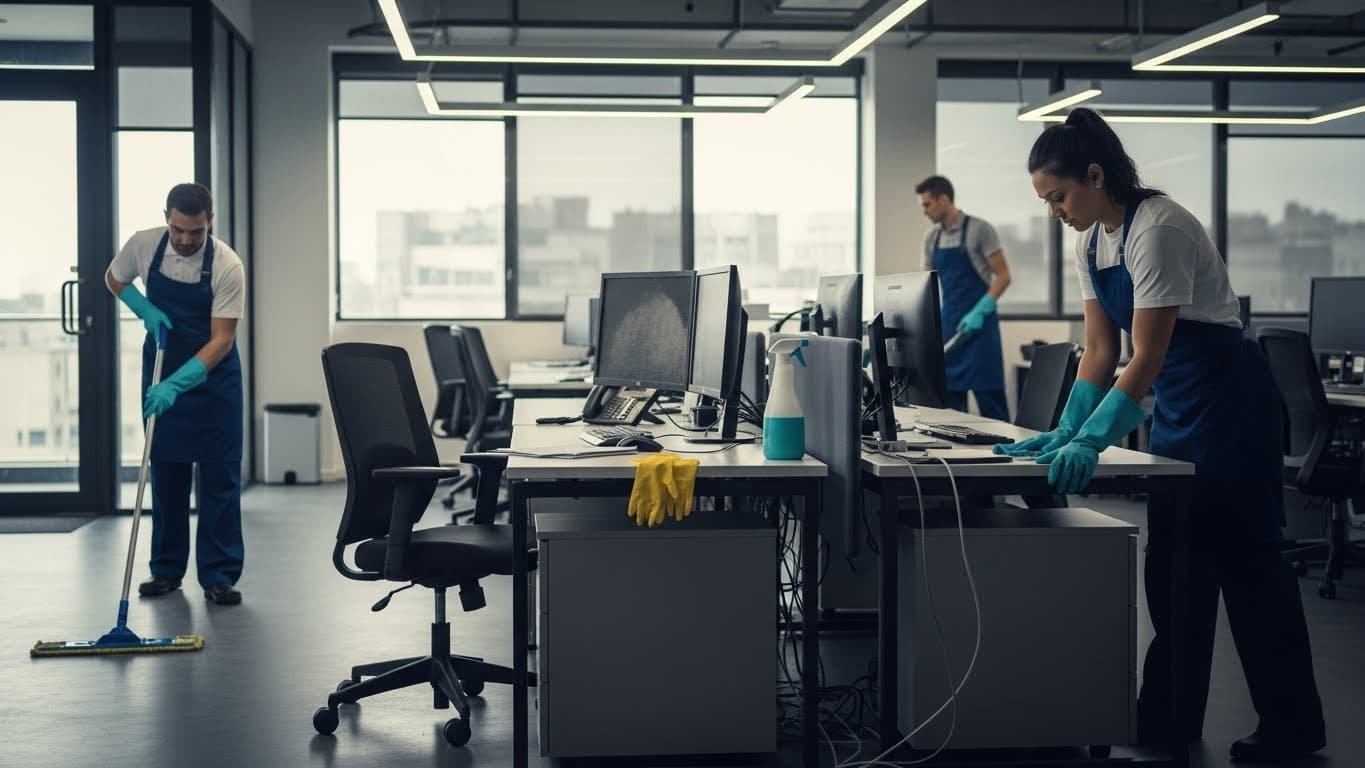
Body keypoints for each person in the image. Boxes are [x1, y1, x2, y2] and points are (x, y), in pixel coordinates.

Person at [999, 108, 1324, 761]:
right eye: (1044, 201)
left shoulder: (1160, 228)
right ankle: (1167, 716)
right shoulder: (1090, 241)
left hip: (1229, 400)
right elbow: (1098, 349)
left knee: (1247, 561)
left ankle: (1292, 726)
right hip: (1179, 405)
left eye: (1058, 196)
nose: (1054, 211)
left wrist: (1092, 441)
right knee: (1174, 560)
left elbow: (1145, 353)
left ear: (1095, 175)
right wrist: (1063, 428)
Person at [105, 183, 247, 606]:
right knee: (166, 472)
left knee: (219, 477)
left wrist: (177, 384)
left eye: (196, 232)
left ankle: (219, 575)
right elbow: (114, 278)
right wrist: (144, 309)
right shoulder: (144, 245)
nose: (186, 240)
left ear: (210, 223)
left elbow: (221, 339)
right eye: (179, 230)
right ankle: (166, 570)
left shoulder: (227, 265)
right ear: (166, 217)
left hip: (212, 381)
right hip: (162, 364)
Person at [916, 175, 1012, 420]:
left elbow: (1003, 276)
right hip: (950, 328)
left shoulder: (980, 230)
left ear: (944, 199)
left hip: (981, 328)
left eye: (927, 205)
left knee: (992, 405)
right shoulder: (931, 238)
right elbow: (927, 286)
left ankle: (1006, 453)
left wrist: (981, 309)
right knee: (950, 410)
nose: (924, 212)